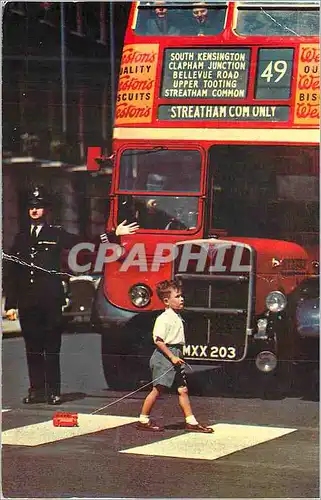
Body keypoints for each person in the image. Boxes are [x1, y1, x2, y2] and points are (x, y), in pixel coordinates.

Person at [4, 185, 139, 405]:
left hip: (50, 301)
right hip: (28, 303)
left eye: (39, 207)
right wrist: (10, 304)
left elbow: (85, 244)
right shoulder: (20, 238)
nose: (35, 211)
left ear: (46, 210)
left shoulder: (56, 234)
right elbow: (12, 273)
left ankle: (53, 391)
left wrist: (114, 235)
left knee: (51, 347)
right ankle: (36, 390)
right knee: (32, 349)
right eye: (31, 207)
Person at [136, 279, 214, 433]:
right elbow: (158, 340)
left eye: (181, 296)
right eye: (177, 297)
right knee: (158, 389)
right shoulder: (163, 318)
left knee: (182, 389)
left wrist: (176, 355)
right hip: (164, 356)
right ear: (166, 301)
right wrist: (172, 357)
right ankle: (143, 420)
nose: (181, 299)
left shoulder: (177, 316)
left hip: (176, 354)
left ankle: (191, 421)